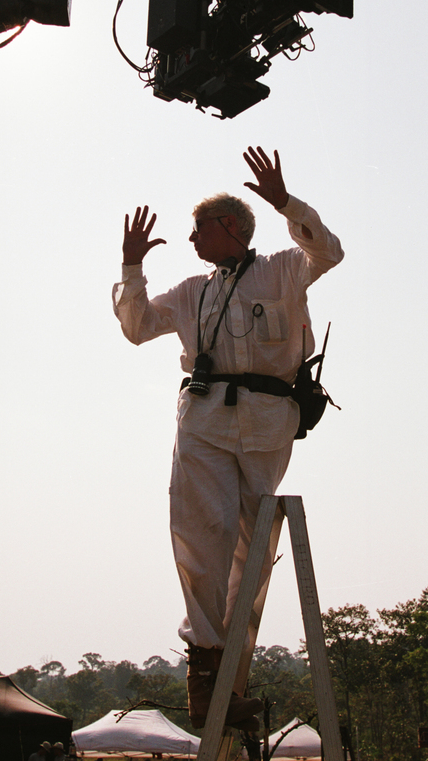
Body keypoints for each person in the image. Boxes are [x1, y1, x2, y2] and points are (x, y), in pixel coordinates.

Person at [113, 146, 344, 731]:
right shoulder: (191, 290)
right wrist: (132, 267)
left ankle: (230, 681)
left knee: (252, 548)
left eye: (199, 229)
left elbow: (329, 251)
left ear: (230, 227)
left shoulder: (283, 270)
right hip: (204, 420)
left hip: (267, 421)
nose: (190, 239)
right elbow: (137, 328)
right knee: (200, 535)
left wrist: (286, 204)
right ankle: (204, 677)